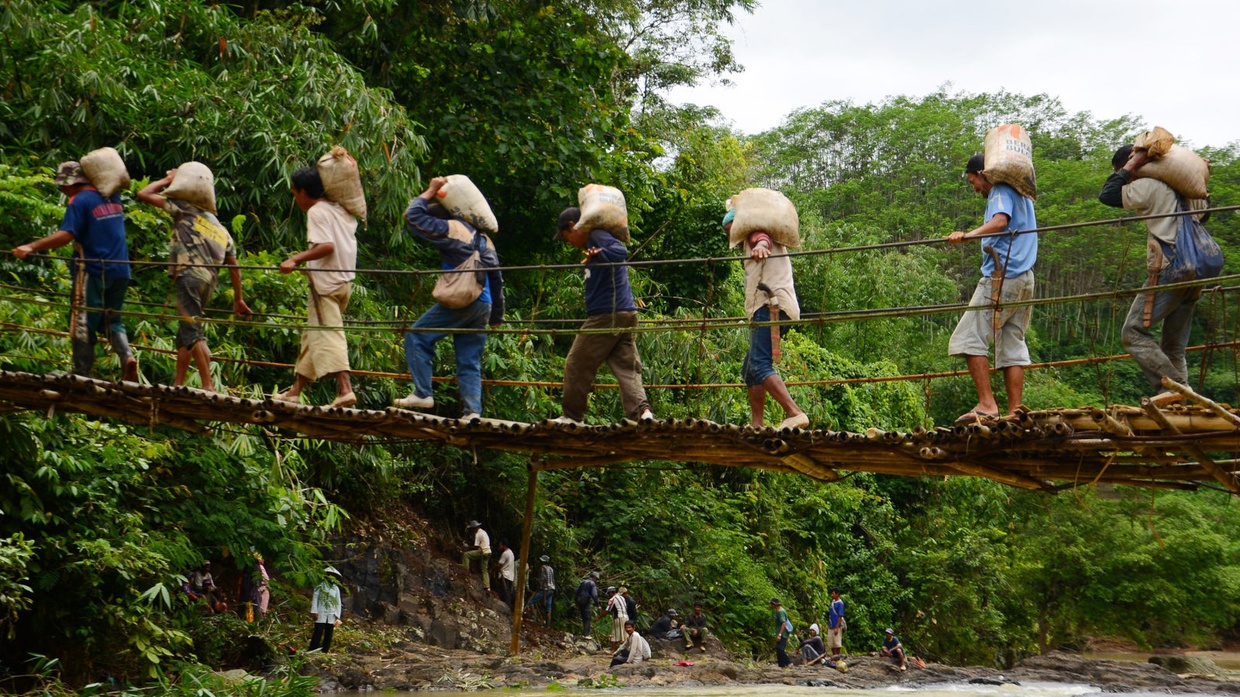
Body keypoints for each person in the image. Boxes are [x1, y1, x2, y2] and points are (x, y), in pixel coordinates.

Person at [13, 161, 138, 381]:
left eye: (63, 187)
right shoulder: (112, 195)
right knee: (112, 320)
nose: (62, 191)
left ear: (70, 184)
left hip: (93, 270)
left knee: (82, 320)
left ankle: (81, 372)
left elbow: (66, 234)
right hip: (121, 269)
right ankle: (127, 356)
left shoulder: (81, 201)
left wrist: (31, 246)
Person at [1099, 145, 1209, 394]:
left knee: (1133, 332)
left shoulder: (1149, 185)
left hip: (1172, 268)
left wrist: (1130, 167)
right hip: (1199, 268)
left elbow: (1108, 195)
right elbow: (1205, 215)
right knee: (1174, 346)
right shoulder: (1186, 188)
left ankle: (1176, 388)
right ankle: (1178, 404)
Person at [136, 167, 252, 391]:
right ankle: (178, 383)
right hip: (208, 283)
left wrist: (167, 179)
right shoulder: (221, 230)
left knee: (193, 331)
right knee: (186, 332)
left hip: (189, 276)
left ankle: (208, 385)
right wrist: (238, 299)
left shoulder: (184, 208)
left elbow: (144, 194)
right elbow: (234, 266)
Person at [398, 177, 504, 420]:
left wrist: (431, 191)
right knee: (469, 360)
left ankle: (423, 393)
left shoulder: (451, 229)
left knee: (416, 336)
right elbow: (497, 279)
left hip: (463, 300)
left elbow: (413, 216)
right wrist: (497, 315)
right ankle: (473, 412)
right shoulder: (485, 240)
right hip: (484, 305)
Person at [945, 153, 1038, 423]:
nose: (975, 188)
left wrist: (967, 236)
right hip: (1025, 278)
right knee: (1012, 341)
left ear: (981, 174)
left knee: (968, 338)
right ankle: (1015, 410)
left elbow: (1000, 221)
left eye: (972, 181)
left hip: (1002, 276)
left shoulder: (999, 189)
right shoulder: (1022, 192)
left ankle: (987, 404)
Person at [551, 207, 653, 425]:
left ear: (573, 226)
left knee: (576, 363)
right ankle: (643, 413)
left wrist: (600, 253)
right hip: (625, 313)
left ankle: (572, 416)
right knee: (626, 367)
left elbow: (620, 252)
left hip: (608, 314)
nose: (568, 242)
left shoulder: (596, 235)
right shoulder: (595, 241)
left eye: (566, 236)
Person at [273, 167, 357, 408]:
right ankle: (295, 391)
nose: (295, 198)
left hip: (325, 286)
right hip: (344, 283)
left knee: (328, 334)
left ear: (302, 191)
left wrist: (295, 259)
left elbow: (326, 246)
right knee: (314, 335)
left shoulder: (317, 211)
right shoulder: (340, 209)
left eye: (294, 193)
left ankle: (345, 390)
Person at [723, 209, 808, 430]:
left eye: (731, 230)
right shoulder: (760, 236)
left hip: (769, 306)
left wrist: (761, 246)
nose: (732, 236)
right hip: (776, 306)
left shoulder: (754, 233)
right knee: (750, 367)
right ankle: (757, 423)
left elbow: (762, 239)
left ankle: (794, 412)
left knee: (759, 364)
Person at [309, 566, 343, 653]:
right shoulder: (320, 586)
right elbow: (315, 599)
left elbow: (338, 602)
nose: (330, 577)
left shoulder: (335, 588)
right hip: (321, 612)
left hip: (331, 614)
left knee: (329, 633)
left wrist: (338, 616)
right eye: (329, 575)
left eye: (333, 575)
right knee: (318, 631)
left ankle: (325, 650)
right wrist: (314, 612)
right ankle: (312, 649)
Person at [461, 520, 492, 592]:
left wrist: (467, 546)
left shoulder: (478, 534)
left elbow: (476, 547)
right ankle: (487, 587)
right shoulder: (483, 532)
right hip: (488, 552)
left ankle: (465, 570)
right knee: (484, 570)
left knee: (466, 555)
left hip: (483, 552)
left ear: (474, 528)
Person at [525, 555, 555, 624]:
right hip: (552, 589)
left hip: (545, 589)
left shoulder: (542, 568)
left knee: (531, 602)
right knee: (548, 607)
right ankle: (548, 625)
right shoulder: (551, 569)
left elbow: (542, 580)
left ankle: (533, 618)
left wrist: (538, 584)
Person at [601, 585, 629, 650]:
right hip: (626, 617)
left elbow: (607, 610)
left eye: (609, 593)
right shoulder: (622, 598)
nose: (608, 595)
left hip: (619, 617)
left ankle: (613, 650)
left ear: (611, 593)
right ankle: (625, 650)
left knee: (614, 634)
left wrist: (598, 618)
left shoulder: (612, 599)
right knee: (624, 635)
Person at [575, 571, 600, 636]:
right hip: (586, 602)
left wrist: (576, 603)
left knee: (583, 618)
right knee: (587, 618)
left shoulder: (583, 582)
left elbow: (577, 592)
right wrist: (598, 605)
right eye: (597, 579)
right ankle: (586, 634)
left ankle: (584, 633)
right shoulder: (592, 584)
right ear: (594, 578)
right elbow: (595, 595)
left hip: (580, 602)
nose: (596, 581)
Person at [491, 540, 515, 606]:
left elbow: (499, 565)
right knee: (507, 593)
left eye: (500, 545)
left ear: (503, 545)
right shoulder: (511, 552)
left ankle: (505, 607)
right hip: (510, 576)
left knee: (504, 593)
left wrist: (492, 570)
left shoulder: (505, 553)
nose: (499, 547)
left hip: (504, 576)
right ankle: (508, 607)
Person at [771, 597, 792, 668]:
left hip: (783, 634)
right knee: (778, 649)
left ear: (774, 604)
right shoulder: (779, 611)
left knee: (780, 649)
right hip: (782, 633)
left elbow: (784, 623)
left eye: (772, 604)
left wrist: (780, 634)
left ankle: (788, 662)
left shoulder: (780, 611)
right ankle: (781, 665)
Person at [827, 587, 846, 656]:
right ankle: (834, 656)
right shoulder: (833, 602)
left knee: (837, 643)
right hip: (831, 625)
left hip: (836, 625)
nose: (832, 595)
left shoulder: (840, 603)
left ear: (837, 594)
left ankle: (837, 656)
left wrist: (837, 627)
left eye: (833, 593)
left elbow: (840, 616)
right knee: (831, 643)